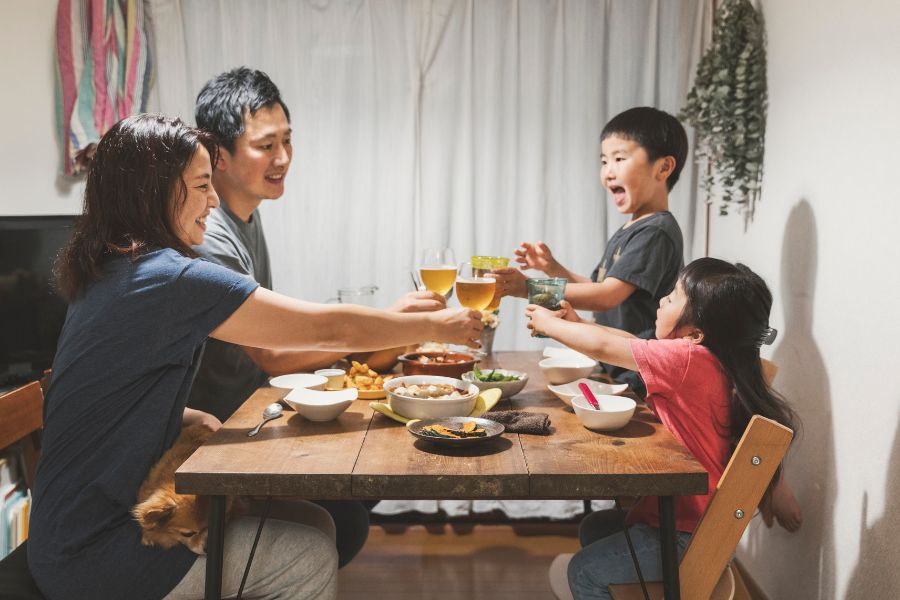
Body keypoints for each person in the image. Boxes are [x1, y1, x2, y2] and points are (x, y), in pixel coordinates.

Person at [26, 114, 482, 600]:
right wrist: (434, 324)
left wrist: (175, 412)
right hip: (101, 554)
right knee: (305, 557)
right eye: (202, 185)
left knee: (315, 521)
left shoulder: (109, 271)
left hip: (64, 538)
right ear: (153, 193)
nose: (214, 200)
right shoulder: (172, 279)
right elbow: (329, 329)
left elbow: (97, 397)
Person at [188, 67, 440, 568]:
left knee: (368, 473)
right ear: (217, 153)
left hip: (250, 412)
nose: (282, 158)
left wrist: (380, 334)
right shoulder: (210, 236)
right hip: (212, 439)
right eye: (265, 146)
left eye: (287, 141)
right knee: (347, 514)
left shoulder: (244, 215)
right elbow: (274, 355)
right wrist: (392, 323)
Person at [526, 257, 797, 599]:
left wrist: (548, 324)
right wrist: (578, 323)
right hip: (697, 524)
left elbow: (606, 346)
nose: (662, 300)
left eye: (673, 297)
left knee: (583, 571)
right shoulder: (714, 358)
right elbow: (626, 342)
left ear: (695, 333)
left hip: (686, 534)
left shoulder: (687, 361)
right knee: (596, 527)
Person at [493, 107, 687, 398]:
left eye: (619, 159)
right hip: (618, 368)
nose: (608, 172)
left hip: (640, 375)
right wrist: (553, 268)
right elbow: (598, 288)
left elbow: (607, 297)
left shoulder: (655, 231)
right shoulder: (634, 227)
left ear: (663, 168)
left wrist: (528, 289)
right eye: (604, 160)